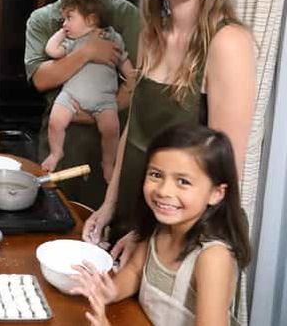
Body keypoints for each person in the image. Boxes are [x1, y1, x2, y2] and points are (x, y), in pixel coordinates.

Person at [82, 0, 256, 266]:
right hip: (136, 214)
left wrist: (151, 240)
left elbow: (224, 170)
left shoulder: (228, 42)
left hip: (184, 235)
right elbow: (136, 127)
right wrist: (110, 203)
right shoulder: (152, 34)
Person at [73, 124, 251, 326]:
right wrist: (110, 291)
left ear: (216, 193)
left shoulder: (213, 257)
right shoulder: (159, 228)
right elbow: (135, 272)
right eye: (156, 175)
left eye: (183, 181)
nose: (164, 191)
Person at [25, 0, 140, 208]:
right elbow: (41, 79)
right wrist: (87, 51)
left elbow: (137, 79)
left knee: (107, 219)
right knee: (58, 216)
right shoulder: (43, 20)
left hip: (111, 133)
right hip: (63, 133)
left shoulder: (123, 14)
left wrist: (99, 112)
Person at [42, 0, 135, 183]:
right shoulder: (72, 41)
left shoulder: (111, 37)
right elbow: (51, 50)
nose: (64, 23)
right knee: (55, 122)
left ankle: (108, 163)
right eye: (63, 19)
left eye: (69, 18)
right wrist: (61, 33)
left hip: (104, 99)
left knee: (111, 130)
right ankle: (56, 152)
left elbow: (123, 60)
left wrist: (131, 77)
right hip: (71, 96)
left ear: (91, 20)